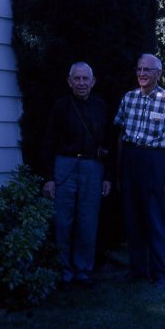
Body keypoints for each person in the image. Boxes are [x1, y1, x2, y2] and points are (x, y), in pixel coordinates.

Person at [113, 53, 165, 290]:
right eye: (139, 69)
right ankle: (136, 269)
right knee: (132, 219)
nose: (142, 74)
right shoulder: (128, 98)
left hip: (155, 162)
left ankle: (159, 273)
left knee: (155, 219)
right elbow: (120, 136)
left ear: (159, 74)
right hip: (131, 160)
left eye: (147, 70)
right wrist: (119, 169)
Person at [42, 62, 112, 287]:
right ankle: (64, 270)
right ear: (69, 81)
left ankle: (83, 270)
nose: (81, 83)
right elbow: (49, 143)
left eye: (85, 79)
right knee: (63, 221)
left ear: (93, 82)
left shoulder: (101, 106)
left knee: (88, 221)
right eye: (77, 79)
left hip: (93, 168)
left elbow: (109, 144)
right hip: (65, 166)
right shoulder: (60, 106)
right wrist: (49, 177)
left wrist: (108, 176)